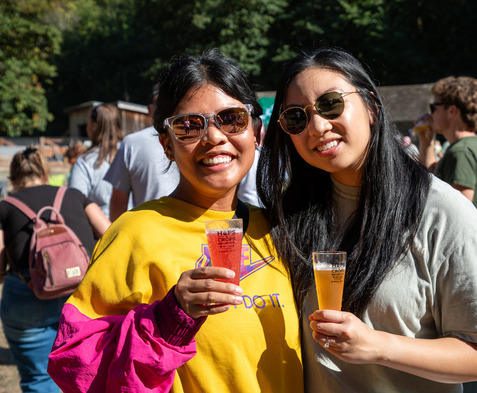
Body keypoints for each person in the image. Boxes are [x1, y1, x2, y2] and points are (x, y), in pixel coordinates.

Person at [48, 50, 303, 393]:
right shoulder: (135, 232)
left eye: (232, 119)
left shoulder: (279, 229)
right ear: (167, 145)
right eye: (188, 126)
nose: (214, 137)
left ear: (256, 132)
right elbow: (74, 362)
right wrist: (170, 318)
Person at [257, 47, 477, 393]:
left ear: (371, 106)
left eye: (331, 104)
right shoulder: (290, 212)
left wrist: (378, 346)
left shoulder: (444, 214)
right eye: (297, 117)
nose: (317, 127)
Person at [0, 147, 109, 393]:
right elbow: (111, 235)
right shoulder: (74, 194)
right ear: (47, 174)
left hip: (28, 297)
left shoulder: (5, 206)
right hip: (82, 296)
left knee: (39, 379)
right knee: (88, 375)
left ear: (14, 180)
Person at [417, 76, 477, 224]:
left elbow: (458, 214)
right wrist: (426, 142)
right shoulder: (475, 144)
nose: (430, 115)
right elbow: (434, 180)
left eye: (434, 108)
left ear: (452, 110)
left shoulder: (461, 152)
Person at [104, 85, 179, 221]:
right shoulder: (202, 137)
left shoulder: (131, 143)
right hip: (197, 230)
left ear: (149, 110)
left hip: (149, 233)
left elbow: (117, 204)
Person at [69, 103, 124, 216]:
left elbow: (74, 205)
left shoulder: (85, 162)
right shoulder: (131, 153)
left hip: (101, 231)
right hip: (137, 228)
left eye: (87, 122)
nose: (86, 127)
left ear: (94, 125)